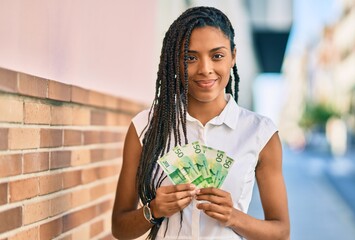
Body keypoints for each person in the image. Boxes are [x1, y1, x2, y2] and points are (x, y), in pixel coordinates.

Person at [112, 6, 290, 240]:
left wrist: (234, 217)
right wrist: (153, 210)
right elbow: (120, 228)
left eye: (217, 56)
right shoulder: (144, 127)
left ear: (233, 56)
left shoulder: (261, 133)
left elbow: (281, 232)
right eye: (190, 57)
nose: (205, 69)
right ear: (176, 60)